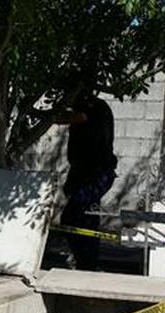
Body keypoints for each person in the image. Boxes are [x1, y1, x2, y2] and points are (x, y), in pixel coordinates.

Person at [47, 94, 118, 270]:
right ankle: (87, 263)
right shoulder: (90, 107)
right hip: (82, 172)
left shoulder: (95, 107)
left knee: (70, 217)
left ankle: (86, 261)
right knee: (87, 219)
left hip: (97, 173)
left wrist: (47, 117)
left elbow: (75, 117)